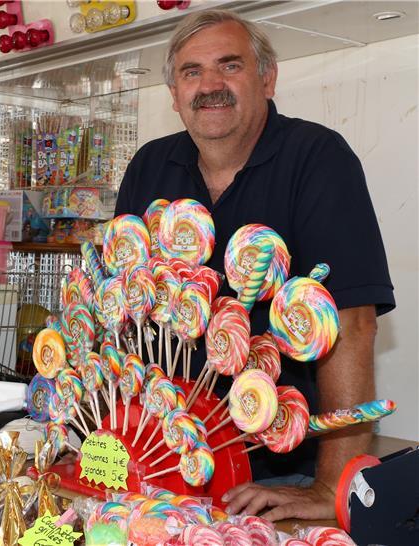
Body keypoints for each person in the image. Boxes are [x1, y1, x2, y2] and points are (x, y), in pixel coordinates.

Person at [114, 9, 394, 521]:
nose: (209, 86)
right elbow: (124, 314)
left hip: (278, 474)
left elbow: (351, 323)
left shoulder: (318, 158)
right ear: (174, 94)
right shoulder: (149, 167)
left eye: (230, 65)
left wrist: (331, 484)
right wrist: (108, 441)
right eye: (192, 71)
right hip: (159, 457)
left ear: (267, 79)